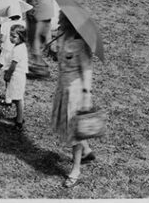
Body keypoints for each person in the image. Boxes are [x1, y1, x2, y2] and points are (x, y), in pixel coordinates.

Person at [51, 12, 96, 188]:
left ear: (70, 24)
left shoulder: (81, 46)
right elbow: (63, 60)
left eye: (62, 21)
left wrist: (86, 95)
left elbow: (87, 71)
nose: (59, 23)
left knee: (74, 132)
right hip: (63, 89)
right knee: (68, 127)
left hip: (75, 94)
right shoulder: (64, 39)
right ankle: (86, 150)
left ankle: (75, 169)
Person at [2, 23, 29, 129]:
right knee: (17, 97)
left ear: (21, 37)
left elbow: (14, 64)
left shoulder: (19, 49)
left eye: (14, 36)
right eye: (10, 35)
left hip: (17, 76)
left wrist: (8, 75)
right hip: (17, 76)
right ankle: (19, 117)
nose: (11, 38)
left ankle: (19, 121)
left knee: (18, 99)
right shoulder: (19, 46)